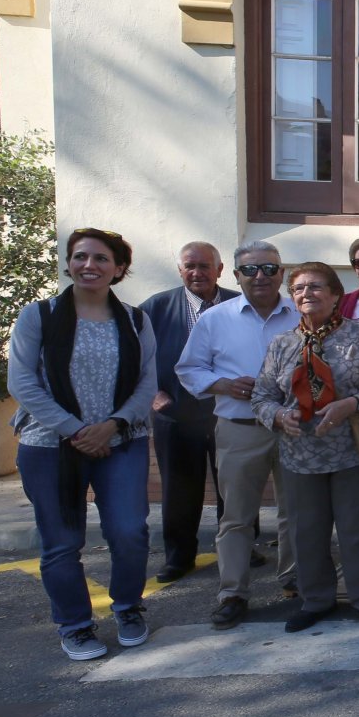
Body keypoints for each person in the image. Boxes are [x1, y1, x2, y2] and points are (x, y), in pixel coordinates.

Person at [8, 228, 157, 661]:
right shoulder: (39, 316)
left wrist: (111, 425)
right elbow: (23, 383)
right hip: (49, 444)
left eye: (100, 258)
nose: (88, 265)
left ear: (119, 269)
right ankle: (74, 625)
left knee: (129, 531)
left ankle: (129, 608)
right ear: (69, 263)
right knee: (61, 541)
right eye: (79, 257)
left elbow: (148, 383)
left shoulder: (135, 320)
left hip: (121, 440)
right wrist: (76, 429)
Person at [252, 262, 359, 633]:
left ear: (334, 295)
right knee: (306, 532)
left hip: (352, 450)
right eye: (298, 289)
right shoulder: (282, 344)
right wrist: (279, 416)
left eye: (315, 287)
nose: (306, 294)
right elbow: (262, 395)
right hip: (299, 454)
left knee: (358, 529)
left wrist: (352, 404)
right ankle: (316, 600)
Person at [177, 240, 300, 629]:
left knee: (295, 511)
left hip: (294, 428)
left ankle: (294, 581)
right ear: (235, 275)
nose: (260, 276)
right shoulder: (216, 319)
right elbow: (188, 369)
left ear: (282, 273)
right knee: (236, 517)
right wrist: (223, 384)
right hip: (239, 427)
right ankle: (232, 593)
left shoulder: (301, 313)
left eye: (269, 268)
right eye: (250, 270)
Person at [139, 241, 237, 584]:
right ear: (180, 270)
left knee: (234, 485)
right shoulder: (155, 307)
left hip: (228, 411)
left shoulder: (237, 305)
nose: (197, 273)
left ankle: (239, 548)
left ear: (220, 269)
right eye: (190, 266)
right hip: (175, 412)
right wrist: (154, 395)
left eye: (205, 266)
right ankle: (179, 556)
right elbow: (134, 358)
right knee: (180, 490)